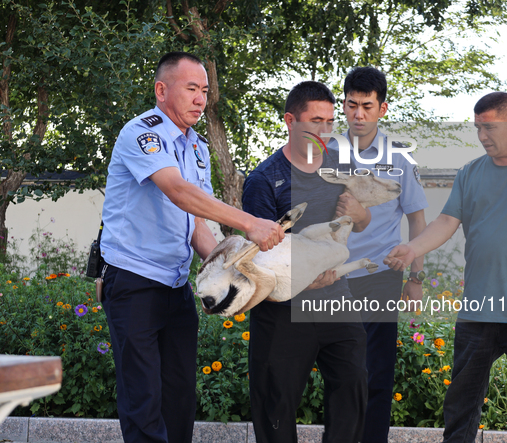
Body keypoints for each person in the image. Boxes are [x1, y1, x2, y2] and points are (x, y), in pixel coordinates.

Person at [100, 52, 284, 443]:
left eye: (204, 90)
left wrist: (231, 272)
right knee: (143, 398)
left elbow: (197, 225)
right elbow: (180, 192)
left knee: (180, 398)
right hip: (134, 282)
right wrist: (250, 223)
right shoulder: (142, 133)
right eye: (191, 89)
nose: (201, 99)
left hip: (174, 287)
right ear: (162, 90)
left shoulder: (198, 147)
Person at [384, 92, 507, 442]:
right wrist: (411, 247)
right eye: (478, 128)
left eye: (489, 127)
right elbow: (446, 221)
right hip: (478, 308)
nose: (482, 136)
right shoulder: (471, 172)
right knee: (460, 407)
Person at [242, 81, 369, 443]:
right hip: (283, 310)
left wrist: (360, 214)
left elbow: (357, 222)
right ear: (290, 121)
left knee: (353, 384)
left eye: (330, 121)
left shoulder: (339, 167)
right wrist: (303, 278)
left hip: (336, 300)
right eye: (315, 121)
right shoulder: (264, 181)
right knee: (275, 406)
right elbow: (258, 259)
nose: (324, 130)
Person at [333, 66, 428, 443]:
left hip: (379, 278)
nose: (358, 114)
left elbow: (419, 224)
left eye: (367, 106)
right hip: (331, 278)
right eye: (352, 105)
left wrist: (416, 278)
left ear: (382, 108)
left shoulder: (401, 161)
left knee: (376, 376)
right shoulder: (325, 153)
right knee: (339, 374)